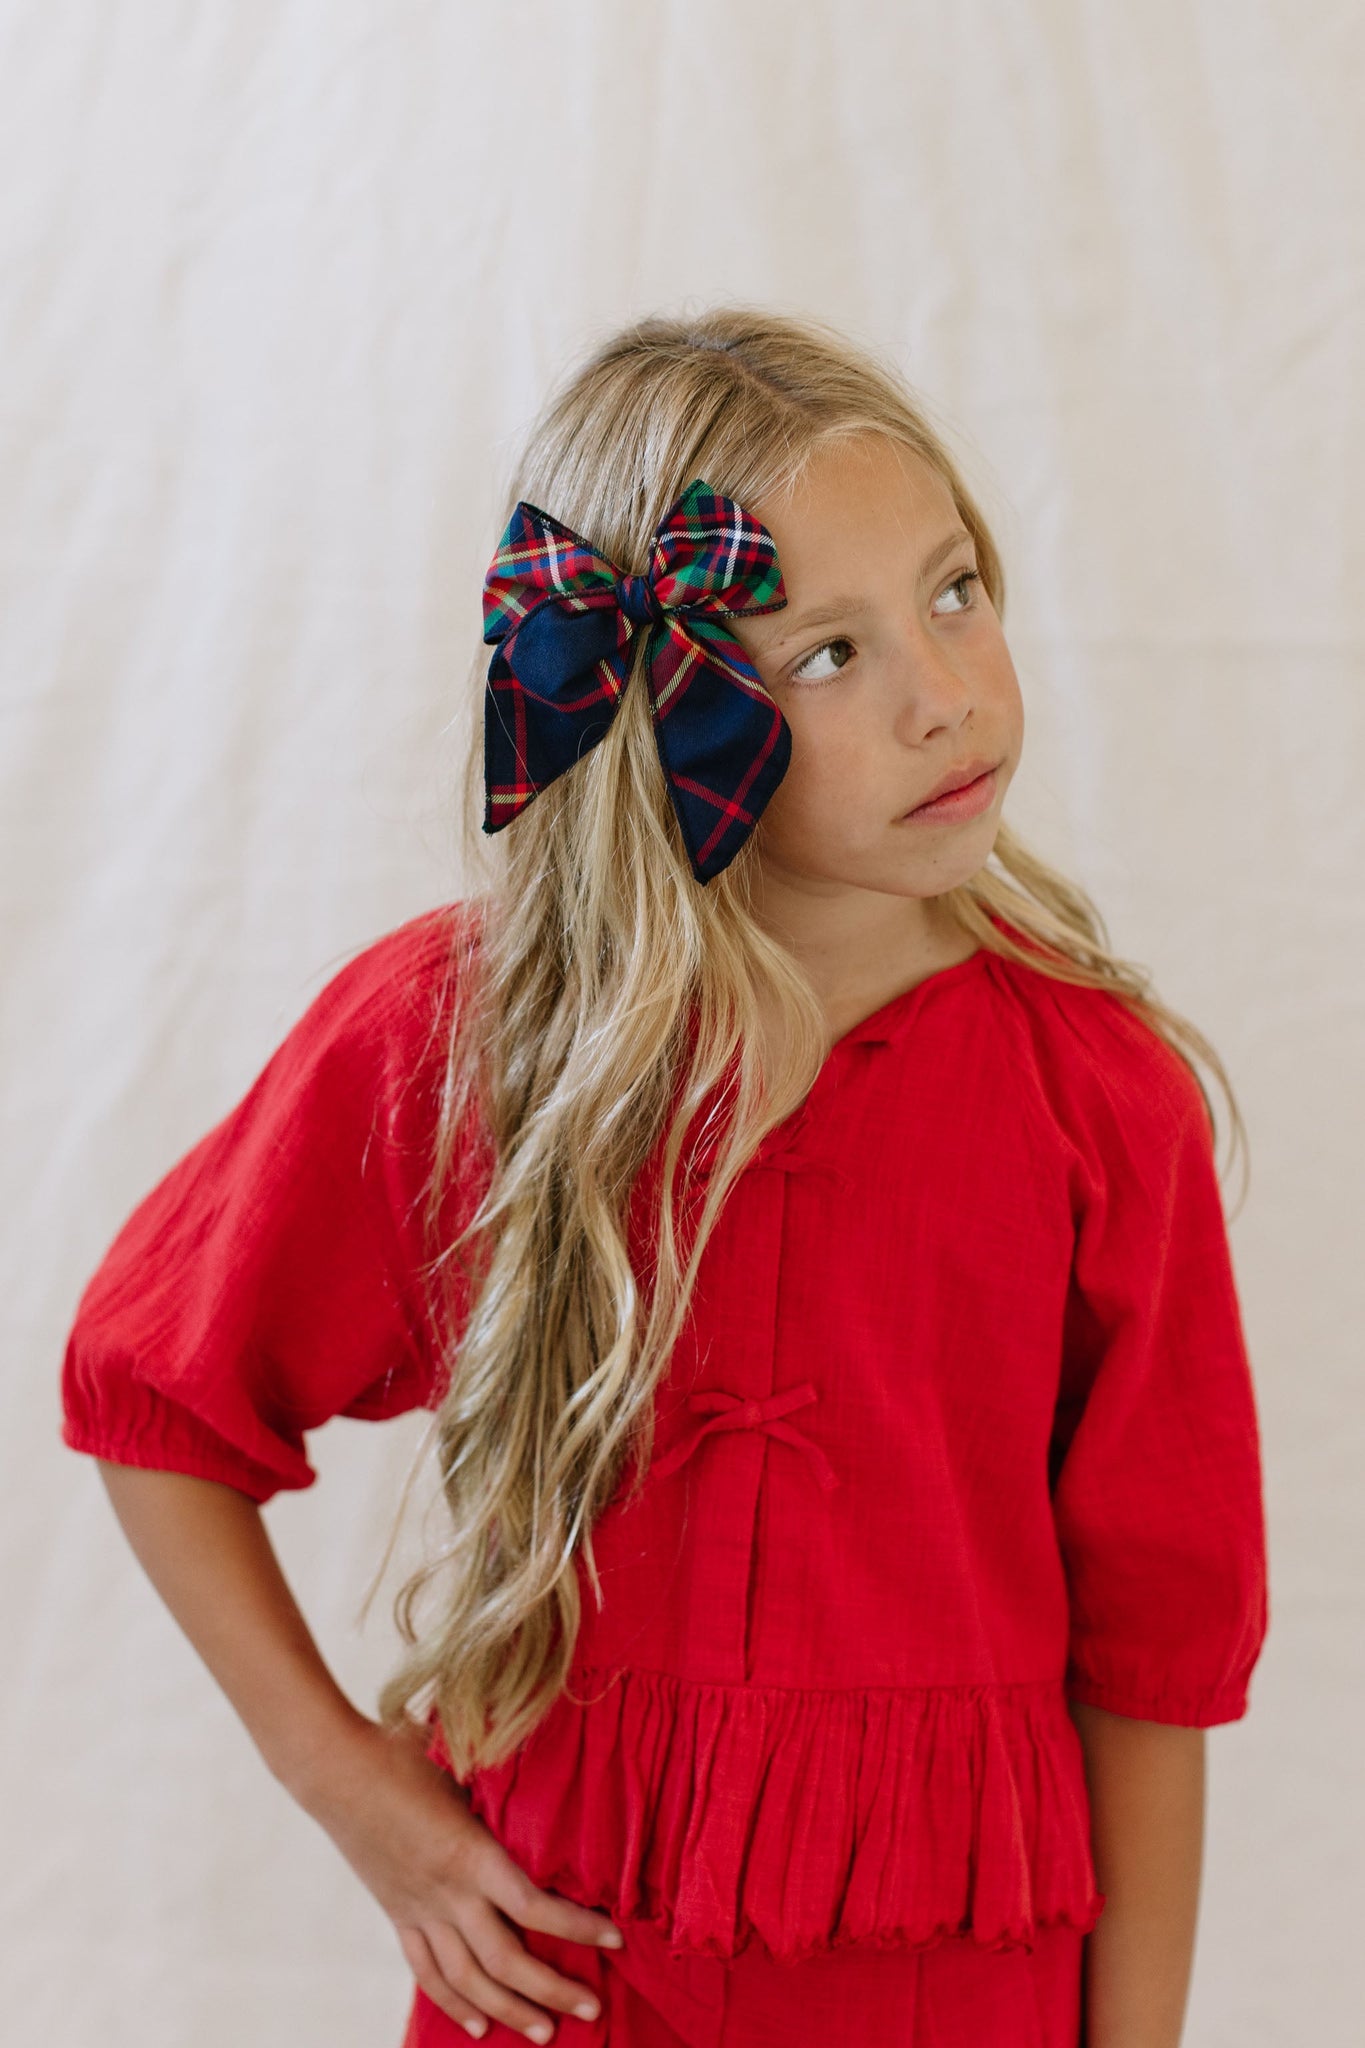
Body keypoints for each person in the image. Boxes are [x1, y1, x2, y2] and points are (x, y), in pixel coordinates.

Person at [59, 306, 1270, 2048]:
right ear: (652, 706)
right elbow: (154, 1403)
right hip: (561, 1969)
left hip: (949, 1982)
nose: (945, 697)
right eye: (830, 652)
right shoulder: (463, 1043)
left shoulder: (1098, 1098)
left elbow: (1153, 1658)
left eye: (952, 591)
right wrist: (353, 1795)